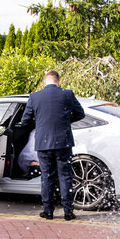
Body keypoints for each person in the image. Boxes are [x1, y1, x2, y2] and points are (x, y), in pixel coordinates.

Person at [20, 69, 85, 220]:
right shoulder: (67, 94)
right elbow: (80, 113)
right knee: (65, 176)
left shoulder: (34, 96)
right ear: (58, 81)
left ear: (45, 81)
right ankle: (68, 211)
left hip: (43, 143)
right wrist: (65, 121)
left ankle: (48, 211)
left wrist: (40, 123)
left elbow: (25, 121)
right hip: (63, 142)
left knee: (47, 177)